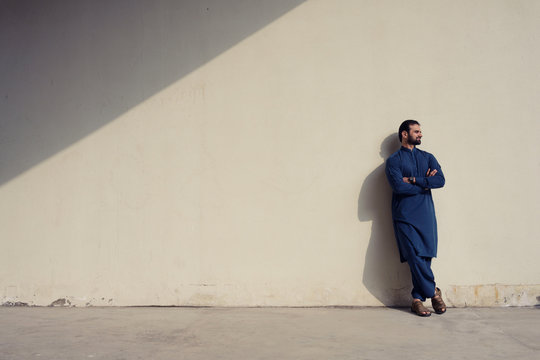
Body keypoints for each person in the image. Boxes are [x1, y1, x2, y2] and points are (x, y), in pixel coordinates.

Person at [385, 120, 447, 317]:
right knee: (414, 255)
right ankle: (434, 293)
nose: (420, 135)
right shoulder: (394, 161)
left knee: (424, 258)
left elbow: (440, 181)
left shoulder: (428, 158)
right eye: (416, 131)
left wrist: (414, 179)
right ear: (404, 134)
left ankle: (417, 299)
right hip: (404, 215)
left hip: (426, 215)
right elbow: (398, 187)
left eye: (420, 131)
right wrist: (425, 183)